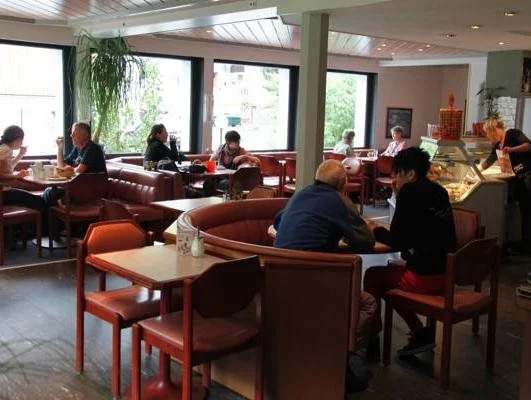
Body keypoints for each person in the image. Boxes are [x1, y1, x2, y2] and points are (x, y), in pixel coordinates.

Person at [273, 159, 376, 392]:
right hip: (312, 281)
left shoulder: (300, 194)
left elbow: (278, 222)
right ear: (343, 184)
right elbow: (366, 241)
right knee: (368, 302)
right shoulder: (340, 201)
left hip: (278, 278)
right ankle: (345, 359)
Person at [364, 147, 457, 356]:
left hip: (425, 277)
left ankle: (372, 339)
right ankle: (418, 331)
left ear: (411, 174)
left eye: (397, 173)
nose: (394, 178)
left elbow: (397, 241)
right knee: (389, 272)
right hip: (447, 273)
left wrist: (374, 229)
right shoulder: (439, 191)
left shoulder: (410, 192)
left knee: (373, 276)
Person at [480, 118, 531, 252]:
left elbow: (528, 145)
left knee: (527, 211)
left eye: (490, 132)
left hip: (527, 176)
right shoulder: (498, 145)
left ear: (495, 129)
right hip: (518, 180)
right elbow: (489, 161)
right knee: (523, 211)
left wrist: (512, 149)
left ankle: (526, 244)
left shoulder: (512, 134)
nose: (489, 136)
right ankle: (523, 242)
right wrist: (477, 171)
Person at [44, 122, 106, 206]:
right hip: (79, 186)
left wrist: (66, 170)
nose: (71, 136)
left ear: (85, 135)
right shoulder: (77, 148)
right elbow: (61, 166)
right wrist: (60, 148)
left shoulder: (93, 148)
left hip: (91, 189)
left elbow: (79, 171)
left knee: (50, 193)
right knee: (49, 192)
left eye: (74, 133)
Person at [0, 125, 46, 213]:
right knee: (40, 201)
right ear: (18, 139)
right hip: (4, 193)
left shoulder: (4, 147)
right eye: (21, 140)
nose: (21, 143)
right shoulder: (6, 150)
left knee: (36, 199)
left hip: (4, 192)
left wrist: (20, 155)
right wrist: (16, 176)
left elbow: (7, 168)